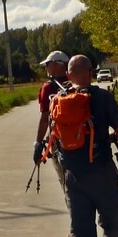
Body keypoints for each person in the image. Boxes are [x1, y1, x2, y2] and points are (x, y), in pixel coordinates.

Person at [52, 54, 118, 237]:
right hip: (102, 172)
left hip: (73, 177)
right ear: (91, 72)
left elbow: (56, 140)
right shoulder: (103, 97)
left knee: (81, 232)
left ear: (69, 75)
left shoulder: (60, 100)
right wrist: (106, 139)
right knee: (112, 224)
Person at [34, 50, 71, 204]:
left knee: (66, 184)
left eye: (48, 65)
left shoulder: (48, 88)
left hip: (59, 143)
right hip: (83, 141)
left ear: (56, 65)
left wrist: (38, 143)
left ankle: (75, 218)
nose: (46, 68)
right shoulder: (76, 82)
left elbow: (44, 118)